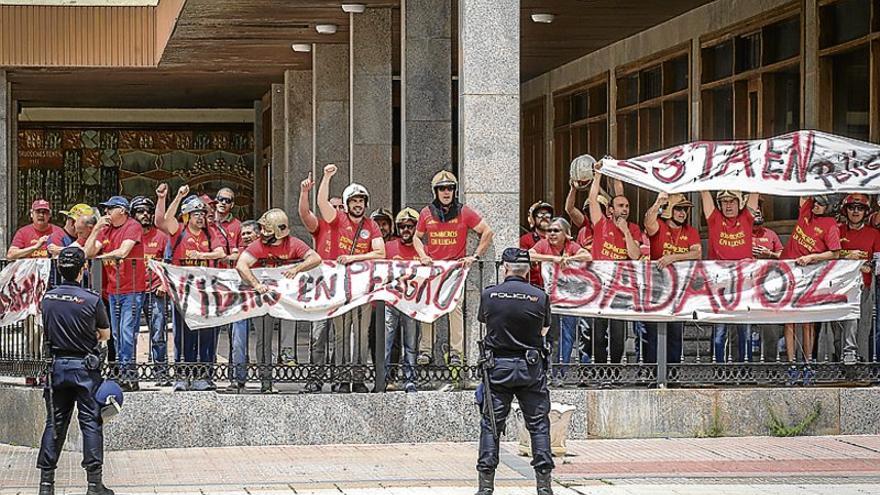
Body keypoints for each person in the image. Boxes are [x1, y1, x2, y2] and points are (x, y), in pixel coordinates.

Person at [36, 247, 115, 495]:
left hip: (57, 368)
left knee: (54, 424)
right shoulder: (91, 299)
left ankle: (46, 485)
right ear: (84, 269)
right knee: (91, 423)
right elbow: (105, 334)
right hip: (85, 369)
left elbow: (45, 329)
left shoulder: (47, 298)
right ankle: (94, 485)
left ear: (60, 269)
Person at [475, 248, 554, 495]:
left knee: (491, 426)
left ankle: (486, 485)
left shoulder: (489, 295)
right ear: (528, 269)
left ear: (505, 268)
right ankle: (544, 485)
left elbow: (485, 321)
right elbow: (544, 330)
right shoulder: (539, 297)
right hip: (530, 367)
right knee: (538, 425)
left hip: (498, 367)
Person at [414, 170, 494, 368]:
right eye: (442, 188)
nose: (446, 192)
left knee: (455, 309)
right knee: (427, 307)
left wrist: (474, 256)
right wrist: (423, 255)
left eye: (449, 188)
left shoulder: (463, 211)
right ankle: (425, 351)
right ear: (436, 191)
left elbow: (487, 231)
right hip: (433, 268)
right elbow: (416, 237)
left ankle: (456, 353)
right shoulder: (426, 213)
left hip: (455, 270)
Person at [317, 163, 386, 393]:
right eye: (354, 201)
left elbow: (380, 252)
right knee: (341, 335)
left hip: (363, 289)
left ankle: (358, 378)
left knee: (362, 334)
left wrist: (353, 258)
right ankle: (340, 379)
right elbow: (321, 204)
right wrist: (327, 177)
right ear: (347, 205)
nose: (358, 205)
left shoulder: (371, 225)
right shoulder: (337, 219)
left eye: (361, 201)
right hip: (339, 288)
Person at [235, 209, 321, 394]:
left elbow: (315, 258)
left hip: (287, 299)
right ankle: (266, 381)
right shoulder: (258, 245)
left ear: (276, 231)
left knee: (289, 330)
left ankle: (288, 359)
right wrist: (256, 284)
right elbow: (241, 264)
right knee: (263, 339)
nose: (263, 234)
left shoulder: (293, 243)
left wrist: (297, 268)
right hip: (264, 298)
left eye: (267, 230)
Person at [155, 184, 226, 391]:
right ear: (186, 215)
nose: (200, 218)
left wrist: (202, 256)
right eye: (195, 213)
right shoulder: (179, 232)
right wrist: (177, 196)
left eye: (202, 214)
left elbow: (221, 252)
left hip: (205, 292)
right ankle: (182, 375)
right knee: (182, 335)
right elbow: (166, 219)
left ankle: (203, 374)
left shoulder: (210, 233)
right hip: (183, 293)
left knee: (206, 334)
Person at [82, 196, 145, 392]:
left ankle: (128, 374)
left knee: (126, 332)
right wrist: (96, 229)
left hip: (132, 289)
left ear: (123, 211)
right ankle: (121, 372)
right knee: (116, 334)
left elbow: (123, 251)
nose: (107, 213)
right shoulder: (106, 229)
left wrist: (101, 256)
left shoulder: (133, 226)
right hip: (113, 290)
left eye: (111, 209)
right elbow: (88, 252)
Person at [587, 166, 646, 363]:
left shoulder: (634, 228)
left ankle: (614, 370)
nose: (625, 210)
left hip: (620, 290)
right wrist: (598, 174)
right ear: (610, 210)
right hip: (598, 288)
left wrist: (625, 232)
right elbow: (593, 196)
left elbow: (635, 255)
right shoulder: (601, 223)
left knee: (618, 335)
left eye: (627, 206)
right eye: (620, 206)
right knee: (596, 334)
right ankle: (599, 369)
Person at [781, 195, 841, 379]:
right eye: (815, 201)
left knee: (808, 322)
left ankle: (807, 363)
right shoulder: (807, 211)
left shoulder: (830, 224)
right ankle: (791, 365)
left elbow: (835, 253)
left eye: (821, 203)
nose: (816, 205)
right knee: (789, 320)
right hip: (788, 271)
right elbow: (804, 192)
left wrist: (812, 257)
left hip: (809, 275)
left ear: (829, 207)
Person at [297, 172, 346, 392]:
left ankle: (337, 378)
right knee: (318, 336)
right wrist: (304, 192)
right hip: (321, 289)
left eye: (339, 207)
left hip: (343, 290)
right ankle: (315, 378)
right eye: (332, 206)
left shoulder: (350, 228)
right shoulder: (320, 226)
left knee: (339, 337)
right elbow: (304, 213)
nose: (336, 211)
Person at [700, 189, 760, 363]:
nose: (728, 205)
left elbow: (756, 191)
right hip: (720, 287)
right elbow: (704, 192)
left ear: (739, 203)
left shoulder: (746, 218)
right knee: (720, 330)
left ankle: (745, 371)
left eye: (732, 201)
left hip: (744, 286)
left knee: (745, 330)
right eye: (724, 201)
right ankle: (719, 370)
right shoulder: (714, 219)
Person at [528, 217, 590, 379]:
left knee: (567, 336)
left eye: (556, 230)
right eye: (549, 231)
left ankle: (560, 373)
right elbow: (529, 255)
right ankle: (545, 371)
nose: (551, 233)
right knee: (548, 335)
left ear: (567, 234)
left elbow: (587, 256)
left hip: (569, 300)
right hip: (548, 300)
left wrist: (568, 259)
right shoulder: (543, 244)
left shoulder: (571, 246)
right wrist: (553, 259)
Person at [643, 193, 701, 364]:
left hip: (679, 292)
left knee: (675, 335)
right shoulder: (659, 226)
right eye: (679, 209)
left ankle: (673, 374)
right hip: (656, 291)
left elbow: (697, 253)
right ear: (669, 211)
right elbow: (647, 221)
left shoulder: (690, 231)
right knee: (652, 335)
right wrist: (658, 202)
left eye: (685, 209)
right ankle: (652, 374)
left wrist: (672, 258)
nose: (683, 213)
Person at [825, 193, 878, 363]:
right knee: (837, 327)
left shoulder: (874, 234)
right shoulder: (836, 230)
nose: (855, 211)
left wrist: (868, 267)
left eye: (860, 208)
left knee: (861, 325)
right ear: (845, 210)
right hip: (838, 287)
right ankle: (840, 361)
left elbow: (877, 263)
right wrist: (848, 256)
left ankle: (856, 360)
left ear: (866, 212)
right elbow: (827, 256)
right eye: (852, 208)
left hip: (864, 286)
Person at [130, 196, 171, 386]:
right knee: (130, 333)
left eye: (148, 211)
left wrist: (164, 283)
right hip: (133, 290)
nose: (145, 214)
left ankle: (161, 372)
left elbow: (168, 264)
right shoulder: (128, 235)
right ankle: (130, 373)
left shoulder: (162, 237)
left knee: (158, 333)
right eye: (140, 211)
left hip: (156, 291)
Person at [383, 207, 422, 393]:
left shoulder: (422, 249)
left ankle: (410, 378)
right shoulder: (388, 247)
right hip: (391, 301)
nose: (406, 230)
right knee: (386, 342)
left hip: (412, 303)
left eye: (410, 226)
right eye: (402, 226)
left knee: (411, 344)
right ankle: (382, 378)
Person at [225, 219, 259, 391]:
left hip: (261, 301)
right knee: (238, 340)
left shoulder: (264, 250)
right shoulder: (239, 255)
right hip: (240, 301)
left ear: (258, 234)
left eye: (249, 233)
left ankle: (266, 380)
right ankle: (238, 378)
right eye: (243, 234)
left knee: (263, 341)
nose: (245, 237)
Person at [520, 201, 554, 288]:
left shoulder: (557, 239)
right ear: (533, 219)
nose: (544, 218)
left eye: (547, 215)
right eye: (540, 215)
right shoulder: (525, 240)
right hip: (533, 287)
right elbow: (523, 261)